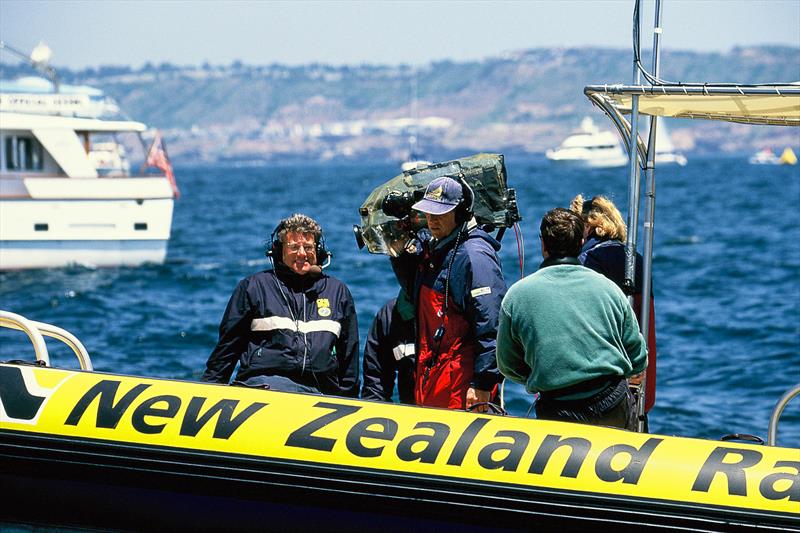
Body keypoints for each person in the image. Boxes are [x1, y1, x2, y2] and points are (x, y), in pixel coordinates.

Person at [496, 208, 647, 429]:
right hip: (612, 404)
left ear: (543, 244)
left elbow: (507, 365)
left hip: (557, 408)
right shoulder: (610, 289)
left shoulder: (516, 296)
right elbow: (638, 357)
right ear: (581, 242)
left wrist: (543, 372)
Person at [202, 213, 359, 397]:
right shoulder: (254, 287)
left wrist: (349, 405)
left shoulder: (338, 292)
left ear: (319, 252)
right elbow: (226, 353)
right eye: (294, 247)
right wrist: (206, 395)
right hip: (263, 391)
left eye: (308, 247)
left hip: (320, 395)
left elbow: (349, 363)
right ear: (279, 251)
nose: (302, 253)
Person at [391, 176, 506, 411]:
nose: (432, 220)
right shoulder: (438, 250)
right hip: (435, 381)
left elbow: (491, 325)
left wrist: (482, 382)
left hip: (462, 388)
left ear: (461, 213)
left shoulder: (474, 257)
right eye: (428, 213)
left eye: (440, 213)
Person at [570, 194, 657, 419]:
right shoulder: (635, 259)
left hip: (597, 390)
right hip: (638, 382)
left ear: (589, 227)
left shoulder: (588, 261)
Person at [360, 289, 417, 404]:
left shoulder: (457, 311)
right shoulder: (389, 314)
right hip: (412, 412)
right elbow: (375, 388)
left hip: (455, 411)